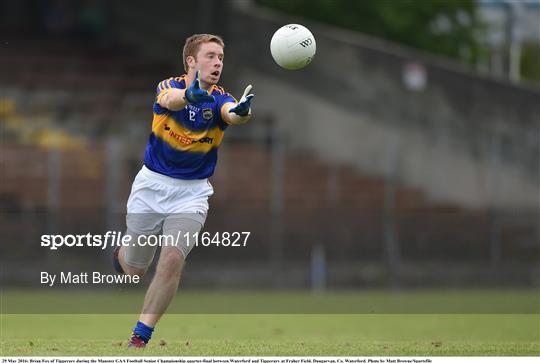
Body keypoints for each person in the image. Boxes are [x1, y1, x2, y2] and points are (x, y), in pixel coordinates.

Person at [112, 33, 254, 348]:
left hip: (192, 193)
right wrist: (189, 97)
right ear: (191, 61)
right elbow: (168, 101)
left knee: (173, 258)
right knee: (134, 269)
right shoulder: (169, 86)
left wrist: (241, 113)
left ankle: (140, 336)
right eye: (210, 56)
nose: (218, 62)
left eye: (220, 57)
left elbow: (231, 113)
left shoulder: (219, 98)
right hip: (151, 186)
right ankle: (122, 256)